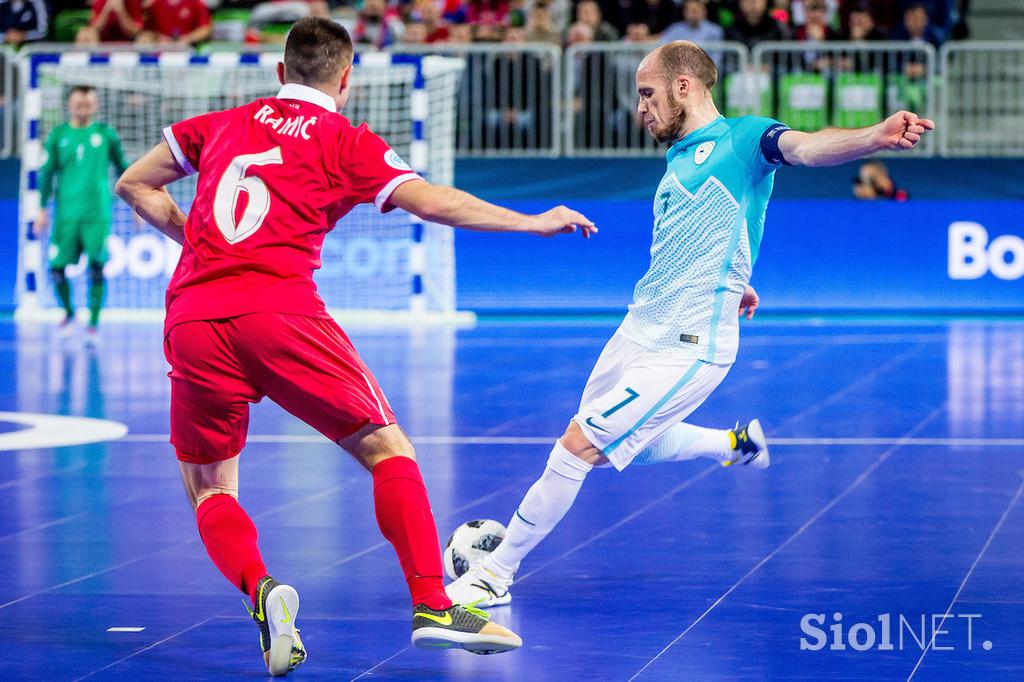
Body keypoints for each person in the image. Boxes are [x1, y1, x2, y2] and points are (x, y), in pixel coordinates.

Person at [114, 17, 595, 676]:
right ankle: (432, 604)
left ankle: (263, 591)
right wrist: (530, 221)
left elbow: (134, 184)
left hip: (193, 318)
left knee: (210, 489)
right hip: (280, 313)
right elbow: (432, 202)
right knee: (386, 450)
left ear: (280, 73)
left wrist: (196, 243)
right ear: (347, 81)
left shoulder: (220, 123)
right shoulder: (346, 139)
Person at [446, 40, 933, 609]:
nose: (641, 109)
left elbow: (809, 147)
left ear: (684, 86)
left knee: (579, 446)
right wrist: (738, 275)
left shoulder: (746, 139)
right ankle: (735, 443)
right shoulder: (678, 158)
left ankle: (495, 574)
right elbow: (704, 237)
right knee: (618, 441)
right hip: (640, 327)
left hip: (689, 345)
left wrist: (873, 136)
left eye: (647, 94)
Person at [35, 86, 129, 345]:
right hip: (65, 215)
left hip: (97, 213)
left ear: (95, 105)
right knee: (56, 268)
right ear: (70, 105)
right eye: (79, 103)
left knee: (97, 267)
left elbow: (125, 169)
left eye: (88, 103)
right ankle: (68, 313)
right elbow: (46, 175)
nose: (83, 107)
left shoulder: (105, 134)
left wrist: (137, 204)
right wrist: (42, 209)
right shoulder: (58, 135)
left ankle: (94, 325)